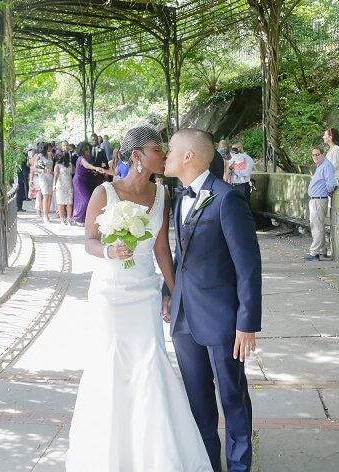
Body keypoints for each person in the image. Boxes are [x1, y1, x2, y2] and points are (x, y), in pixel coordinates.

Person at [66, 125, 212, 471]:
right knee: (112, 366)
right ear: (136, 156)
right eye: (157, 150)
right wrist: (108, 251)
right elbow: (88, 241)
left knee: (149, 362)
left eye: (165, 149)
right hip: (110, 293)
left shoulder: (162, 195)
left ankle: (156, 455)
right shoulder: (105, 192)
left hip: (145, 291)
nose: (164, 155)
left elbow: (162, 248)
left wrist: (177, 294)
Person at [163, 128, 262, 472]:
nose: (166, 153)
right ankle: (208, 465)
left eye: (171, 148)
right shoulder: (178, 197)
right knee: (198, 402)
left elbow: (248, 265)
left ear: (189, 156)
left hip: (222, 319)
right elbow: (181, 254)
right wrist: (168, 294)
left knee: (233, 398)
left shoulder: (226, 198)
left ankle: (239, 467)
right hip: (183, 317)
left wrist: (247, 323)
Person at [304, 146, 336, 261]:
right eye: (313, 155)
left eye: (317, 154)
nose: (315, 157)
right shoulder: (321, 166)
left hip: (319, 199)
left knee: (317, 226)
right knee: (316, 225)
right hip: (315, 199)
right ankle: (321, 251)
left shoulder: (326, 165)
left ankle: (315, 252)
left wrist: (328, 191)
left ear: (323, 154)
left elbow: (331, 183)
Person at [72, 142, 105, 226]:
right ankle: (78, 218)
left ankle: (81, 218)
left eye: (89, 149)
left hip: (84, 180)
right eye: (87, 149)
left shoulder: (85, 158)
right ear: (82, 150)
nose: (89, 151)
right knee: (84, 199)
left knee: (83, 199)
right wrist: (95, 168)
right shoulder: (81, 158)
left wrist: (94, 171)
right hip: (79, 181)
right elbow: (87, 165)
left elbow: (86, 168)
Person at [32, 142, 55, 223]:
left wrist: (52, 172)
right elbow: (34, 168)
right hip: (43, 177)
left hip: (50, 177)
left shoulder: (50, 155)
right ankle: (45, 215)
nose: (50, 148)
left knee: (49, 196)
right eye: (48, 147)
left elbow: (52, 166)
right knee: (45, 195)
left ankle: (47, 213)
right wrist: (44, 170)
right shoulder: (39, 156)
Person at [53, 152, 74, 224]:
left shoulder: (71, 165)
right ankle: (62, 219)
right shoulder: (57, 165)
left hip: (69, 185)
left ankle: (69, 219)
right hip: (60, 185)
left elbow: (74, 172)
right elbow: (55, 176)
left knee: (69, 203)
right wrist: (54, 185)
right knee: (61, 203)